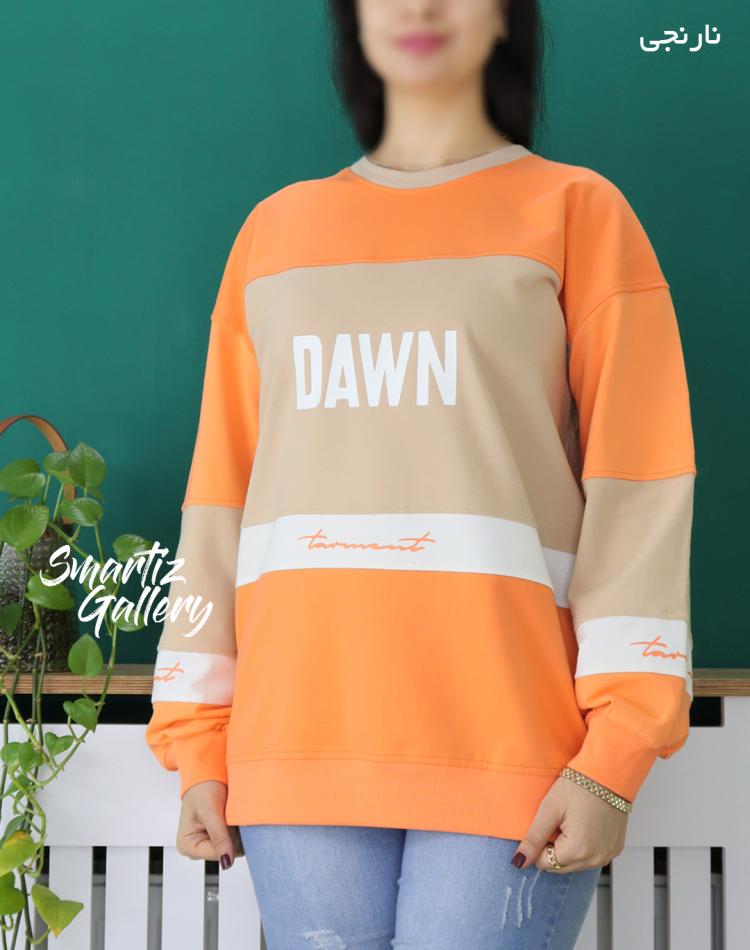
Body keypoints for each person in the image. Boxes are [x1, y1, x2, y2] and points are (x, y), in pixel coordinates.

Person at [145, 0, 697, 946]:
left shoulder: (578, 212)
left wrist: (615, 757)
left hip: (514, 743)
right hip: (296, 739)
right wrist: (196, 736)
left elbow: (640, 490)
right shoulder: (276, 233)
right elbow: (219, 500)